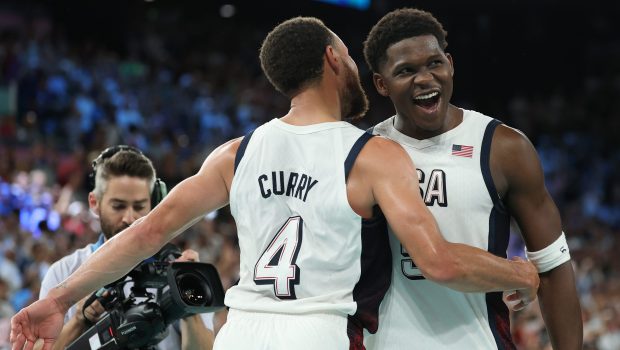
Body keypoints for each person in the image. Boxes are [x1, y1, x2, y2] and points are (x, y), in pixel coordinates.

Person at [11, 17, 540, 350]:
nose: (355, 69)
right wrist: (517, 271)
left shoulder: (236, 154)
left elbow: (147, 233)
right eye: (350, 59)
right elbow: (440, 261)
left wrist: (58, 299)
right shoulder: (374, 154)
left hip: (240, 333)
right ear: (334, 59)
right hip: (319, 333)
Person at [362, 8, 582, 350]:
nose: (424, 78)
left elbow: (553, 265)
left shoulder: (503, 148)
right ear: (381, 84)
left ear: (450, 64)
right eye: (405, 70)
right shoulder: (360, 152)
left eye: (434, 63)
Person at [37, 146, 215, 350]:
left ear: (155, 204)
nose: (129, 218)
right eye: (118, 206)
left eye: (139, 207)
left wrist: (186, 300)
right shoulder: (65, 273)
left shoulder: (177, 269)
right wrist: (80, 321)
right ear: (95, 203)